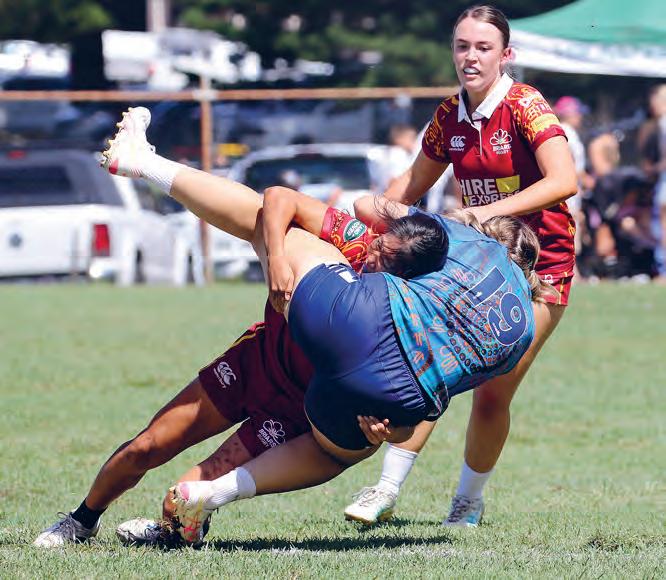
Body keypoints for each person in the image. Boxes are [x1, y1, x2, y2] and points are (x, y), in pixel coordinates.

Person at [32, 107, 447, 549]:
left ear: (407, 280)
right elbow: (279, 198)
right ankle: (81, 520)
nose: (372, 256)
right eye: (380, 244)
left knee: (182, 498)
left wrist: (387, 432)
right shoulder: (357, 242)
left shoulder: (411, 323)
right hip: (254, 363)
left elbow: (414, 414)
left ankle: (168, 533)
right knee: (147, 446)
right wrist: (277, 260)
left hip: (294, 410)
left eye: (385, 259)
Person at [344, 4, 578, 528]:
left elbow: (564, 180)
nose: (471, 57)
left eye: (483, 48)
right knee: (436, 362)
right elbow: (407, 188)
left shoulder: (526, 106)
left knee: (492, 389)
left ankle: (468, 502)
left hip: (540, 270)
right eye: (462, 46)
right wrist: (367, 232)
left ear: (506, 54)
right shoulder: (450, 116)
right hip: (475, 262)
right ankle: (385, 489)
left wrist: (483, 213)